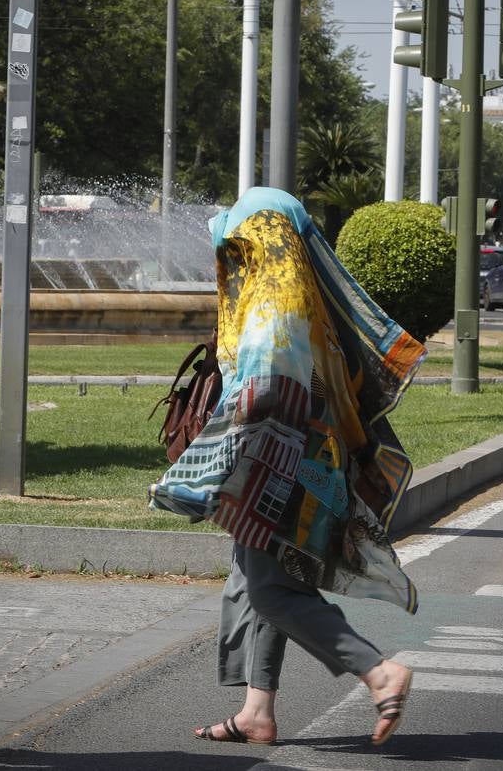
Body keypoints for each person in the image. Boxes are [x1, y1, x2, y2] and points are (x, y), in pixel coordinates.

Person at [150, 187, 423, 748]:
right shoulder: (305, 305)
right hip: (313, 462)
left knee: (272, 592)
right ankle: (257, 712)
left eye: (238, 243)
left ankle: (378, 671)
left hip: (277, 465)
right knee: (255, 576)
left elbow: (258, 399)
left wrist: (204, 471)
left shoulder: (272, 308)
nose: (232, 255)